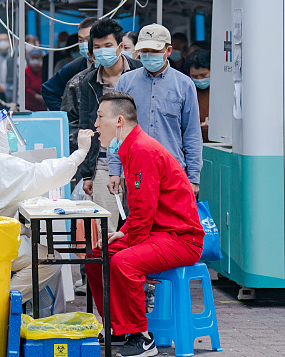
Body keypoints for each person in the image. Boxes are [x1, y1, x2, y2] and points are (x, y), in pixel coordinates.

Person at [86, 91, 203, 357]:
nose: (95, 123)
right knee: (95, 255)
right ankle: (116, 325)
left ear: (118, 121)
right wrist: (123, 234)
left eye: (99, 117)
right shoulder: (130, 146)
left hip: (182, 239)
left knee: (123, 262)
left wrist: (127, 240)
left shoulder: (141, 149)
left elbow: (143, 211)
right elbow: (140, 213)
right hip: (158, 233)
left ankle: (141, 336)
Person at [0, 107, 95, 303]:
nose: (9, 133)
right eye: (7, 128)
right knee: (51, 260)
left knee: (34, 249)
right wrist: (80, 152)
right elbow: (44, 174)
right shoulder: (1, 164)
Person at [114, 24, 202, 197]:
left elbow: (191, 134)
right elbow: (117, 130)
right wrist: (115, 170)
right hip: (134, 171)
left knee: (170, 223)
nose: (148, 56)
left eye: (154, 50)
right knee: (138, 222)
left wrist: (193, 178)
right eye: (144, 51)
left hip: (172, 171)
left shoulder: (184, 85)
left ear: (168, 51)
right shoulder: (125, 82)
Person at [77, 18, 143, 228]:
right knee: (105, 229)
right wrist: (87, 173)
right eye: (97, 47)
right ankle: (109, 262)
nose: (102, 51)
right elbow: (86, 124)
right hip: (104, 162)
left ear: (120, 47)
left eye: (108, 46)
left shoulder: (139, 73)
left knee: (139, 224)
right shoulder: (88, 82)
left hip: (137, 160)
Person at [41, 17, 100, 111]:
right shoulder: (76, 66)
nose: (85, 44)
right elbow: (48, 91)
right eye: (81, 40)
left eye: (88, 39)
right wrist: (67, 115)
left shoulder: (119, 65)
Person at [185, 49, 212, 143]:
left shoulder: (222, 90)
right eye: (195, 76)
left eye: (203, 75)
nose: (199, 79)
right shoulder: (186, 89)